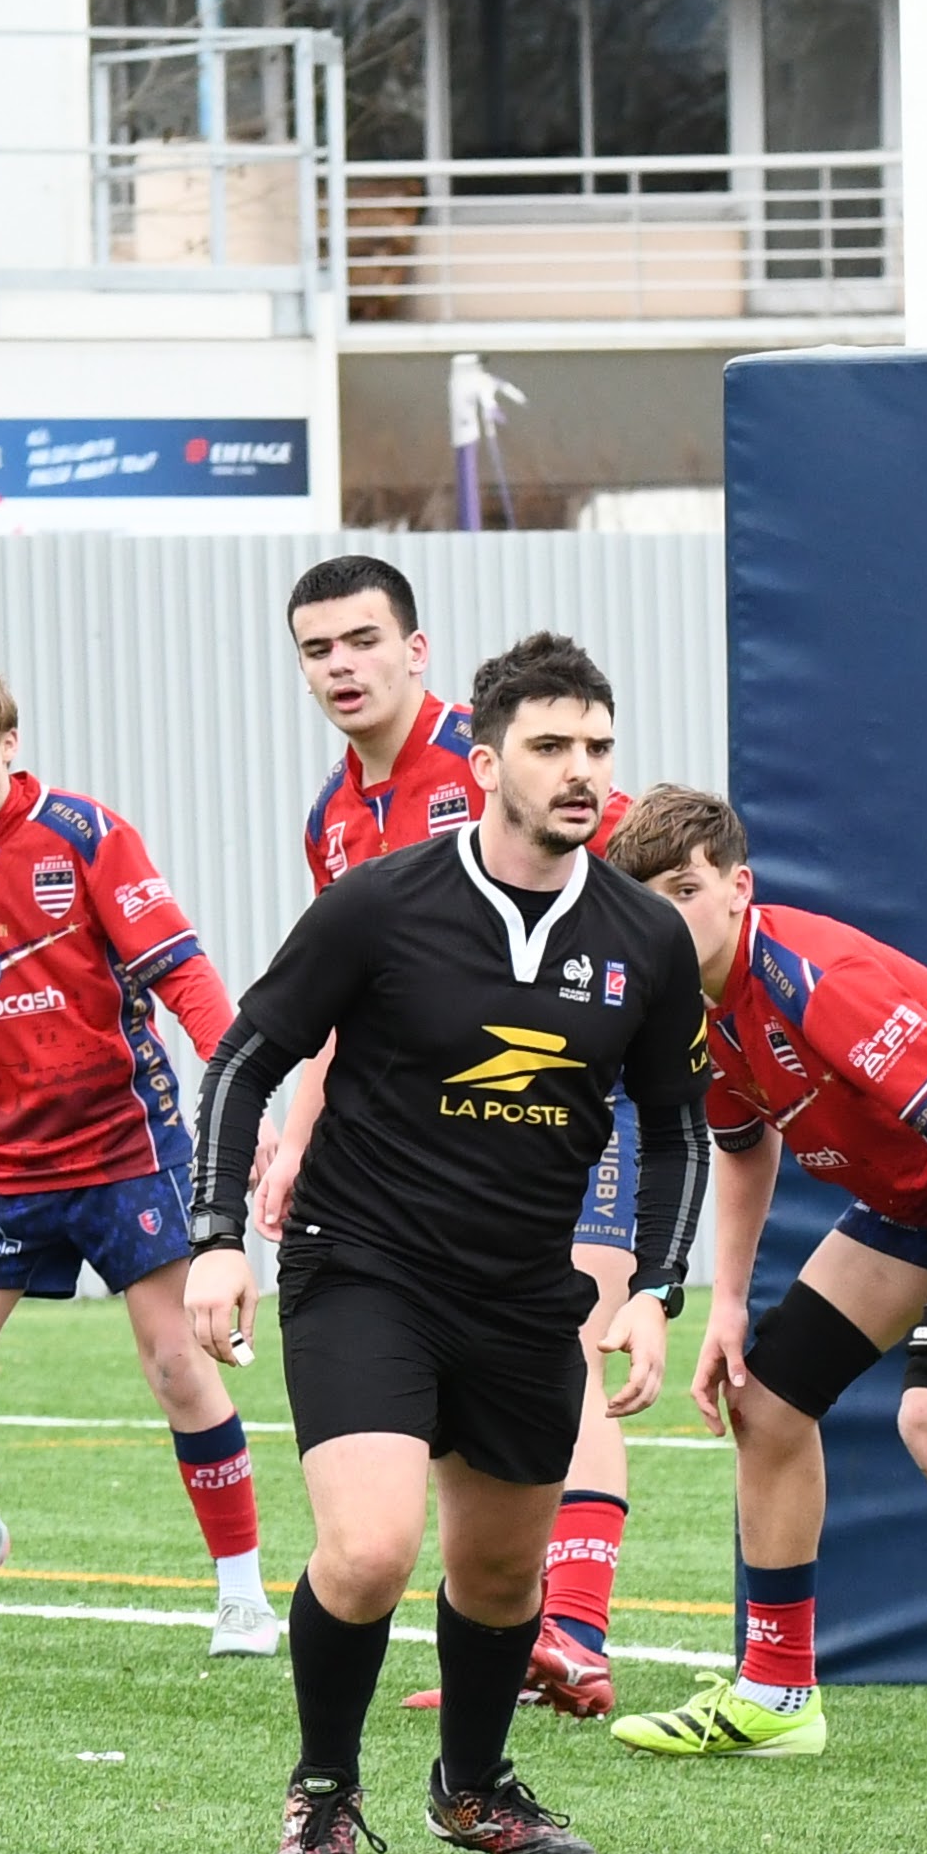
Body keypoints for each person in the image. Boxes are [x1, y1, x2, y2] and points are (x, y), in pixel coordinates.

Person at [182, 632, 709, 1854]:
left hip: (528, 1289)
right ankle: (321, 1791)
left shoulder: (646, 935)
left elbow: (680, 1125)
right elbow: (245, 1061)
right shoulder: (379, 901)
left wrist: (654, 1288)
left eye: (596, 746)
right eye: (551, 747)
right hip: (362, 1264)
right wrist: (213, 1238)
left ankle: (471, 1790)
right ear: (485, 763)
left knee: (498, 1569)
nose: (581, 771)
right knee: (368, 1550)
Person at [590, 788, 927, 1766]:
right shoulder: (683, 1013)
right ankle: (778, 1693)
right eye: (643, 899)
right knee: (768, 1402)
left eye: (686, 889)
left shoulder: (807, 975)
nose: (665, 915)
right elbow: (743, 1150)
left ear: (737, 888)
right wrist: (729, 1306)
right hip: (918, 1192)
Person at [271, 554, 641, 1719]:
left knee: (565, 1351)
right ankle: (501, 1622)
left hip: (579, 1107)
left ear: (415, 650)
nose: (343, 666)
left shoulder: (512, 757)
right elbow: (344, 1008)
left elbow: (639, 904)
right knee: (434, 1400)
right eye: (318, 649)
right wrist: (293, 1140)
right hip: (423, 1150)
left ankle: (568, 1629)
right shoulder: (337, 814)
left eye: (363, 641)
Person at [0, 650, 270, 1657]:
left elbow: (181, 970)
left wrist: (239, 1089)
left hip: (129, 1145)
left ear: (7, 741)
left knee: (178, 1361)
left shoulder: (83, 834)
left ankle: (244, 1593)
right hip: (0, 1161)